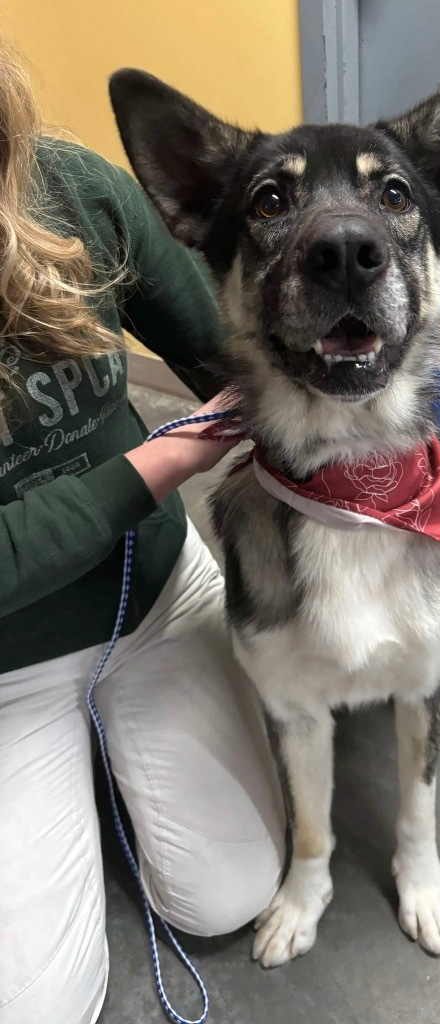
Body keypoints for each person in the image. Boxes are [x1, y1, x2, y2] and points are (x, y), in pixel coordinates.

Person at [0, 41, 285, 1024]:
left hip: (152, 589)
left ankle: (122, 732)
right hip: (7, 665)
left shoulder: (61, 186)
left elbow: (223, 347)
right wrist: (165, 460)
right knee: (42, 1009)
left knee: (228, 895)